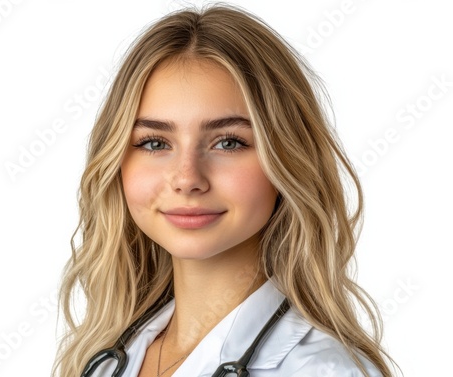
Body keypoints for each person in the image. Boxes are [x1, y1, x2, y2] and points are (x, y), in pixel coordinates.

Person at [52, 4, 399, 377]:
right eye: (154, 143)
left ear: (287, 159)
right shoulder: (107, 358)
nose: (187, 179)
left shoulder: (321, 371)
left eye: (229, 143)